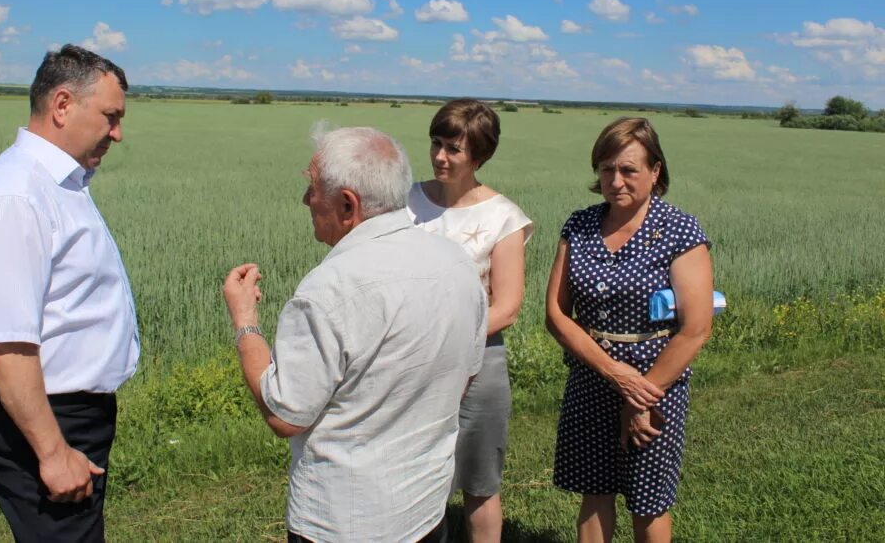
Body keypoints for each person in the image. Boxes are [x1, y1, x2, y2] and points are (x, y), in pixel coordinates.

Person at [222, 125, 488, 543]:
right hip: (427, 508)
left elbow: (284, 413)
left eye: (312, 188)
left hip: (347, 520)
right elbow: (465, 376)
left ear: (348, 204)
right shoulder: (457, 263)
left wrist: (244, 319)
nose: (305, 200)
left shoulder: (329, 290)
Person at [0, 44, 138, 542]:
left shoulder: (58, 184)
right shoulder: (16, 195)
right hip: (43, 418)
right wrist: (54, 452)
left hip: (66, 412)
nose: (118, 133)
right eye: (110, 116)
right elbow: (7, 344)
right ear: (62, 105)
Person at [544, 117, 713, 543]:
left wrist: (639, 397)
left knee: (648, 500)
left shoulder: (679, 231)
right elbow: (557, 314)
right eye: (606, 169)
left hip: (658, 382)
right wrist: (614, 373)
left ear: (655, 171)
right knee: (594, 491)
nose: (615, 180)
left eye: (628, 169)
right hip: (591, 376)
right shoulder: (579, 226)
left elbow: (694, 329)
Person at [406, 99, 533, 543]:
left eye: (453, 149)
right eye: (436, 144)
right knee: (414, 477)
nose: (440, 156)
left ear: (480, 156)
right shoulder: (407, 202)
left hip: (479, 364)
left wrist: (447, 342)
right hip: (408, 361)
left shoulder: (504, 218)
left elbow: (508, 307)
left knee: (479, 485)